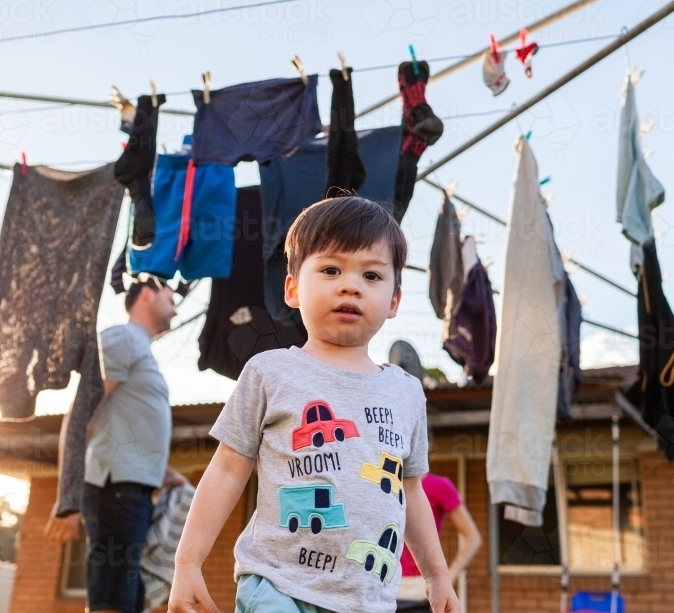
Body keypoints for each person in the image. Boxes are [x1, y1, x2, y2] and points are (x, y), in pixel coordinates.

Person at [170, 196, 460, 613]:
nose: (350, 285)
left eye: (372, 275)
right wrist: (187, 562)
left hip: (369, 601)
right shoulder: (270, 372)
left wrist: (437, 576)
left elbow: (409, 489)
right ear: (292, 288)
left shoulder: (407, 392)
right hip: (277, 587)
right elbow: (226, 471)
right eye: (330, 269)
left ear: (394, 300)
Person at [49, 273, 186, 613]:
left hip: (132, 493)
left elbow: (120, 430)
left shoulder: (139, 348)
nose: (177, 308)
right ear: (146, 293)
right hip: (115, 493)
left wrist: (165, 473)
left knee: (128, 602)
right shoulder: (122, 338)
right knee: (114, 603)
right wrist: (67, 501)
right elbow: (82, 415)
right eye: (171, 295)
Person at [395, 463, 483, 612]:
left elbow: (472, 537)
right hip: (383, 588)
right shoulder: (381, 483)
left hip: (420, 592)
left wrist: (448, 576)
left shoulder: (439, 486)